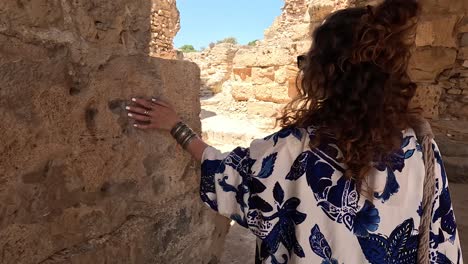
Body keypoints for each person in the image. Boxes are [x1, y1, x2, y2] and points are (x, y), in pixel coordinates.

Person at [126, 0, 464, 263]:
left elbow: (228, 176)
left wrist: (176, 127)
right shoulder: (420, 147)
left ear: (326, 71)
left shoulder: (294, 150)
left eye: (308, 61)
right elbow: (441, 243)